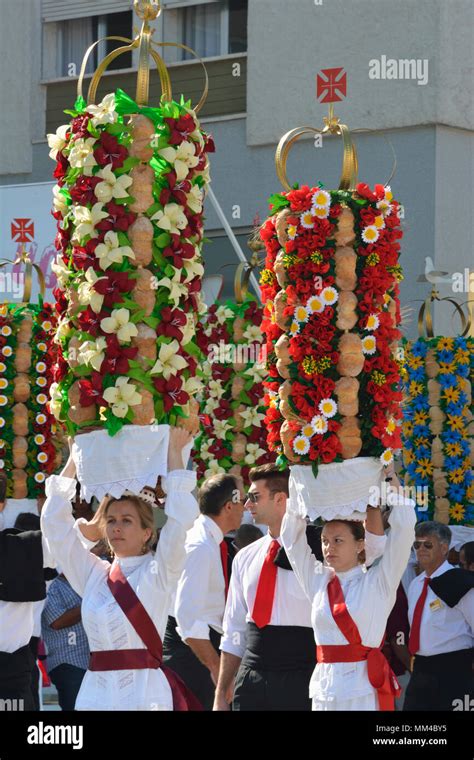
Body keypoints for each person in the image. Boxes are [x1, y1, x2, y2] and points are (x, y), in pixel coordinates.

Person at [41, 427, 200, 711]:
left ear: (147, 533)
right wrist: (76, 459)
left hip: (146, 695)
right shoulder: (94, 573)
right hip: (95, 695)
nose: (116, 526)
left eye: (127, 520)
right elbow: (54, 526)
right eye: (111, 519)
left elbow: (181, 518)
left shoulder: (160, 569)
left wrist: (174, 451)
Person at [214, 464, 388, 712]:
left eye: (254, 497)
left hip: (303, 673)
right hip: (252, 674)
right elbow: (233, 629)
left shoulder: (322, 550)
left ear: (281, 499)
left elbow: (373, 550)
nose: (247, 504)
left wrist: (378, 487)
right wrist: (221, 692)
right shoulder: (245, 557)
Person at [280, 463, 416, 711]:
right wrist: (298, 479)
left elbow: (405, 530)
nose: (328, 548)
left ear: (360, 544)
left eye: (338, 540)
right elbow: (291, 540)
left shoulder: (379, 581)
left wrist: (390, 478)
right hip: (324, 690)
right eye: (324, 541)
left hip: (364, 690)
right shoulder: (318, 580)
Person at [163, 474, 245, 710]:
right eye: (243, 500)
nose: (246, 507)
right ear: (229, 506)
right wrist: (218, 670)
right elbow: (187, 619)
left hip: (197, 651)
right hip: (192, 656)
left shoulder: (207, 540)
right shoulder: (200, 546)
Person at [403, 522, 474, 711]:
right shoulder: (415, 584)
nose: (421, 550)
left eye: (428, 545)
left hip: (454, 671)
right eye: (417, 545)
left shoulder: (461, 582)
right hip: (420, 670)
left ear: (444, 548)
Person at [41, 572, 90, 710]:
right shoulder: (52, 586)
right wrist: (88, 604)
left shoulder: (84, 582)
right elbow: (57, 621)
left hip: (90, 663)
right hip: (68, 664)